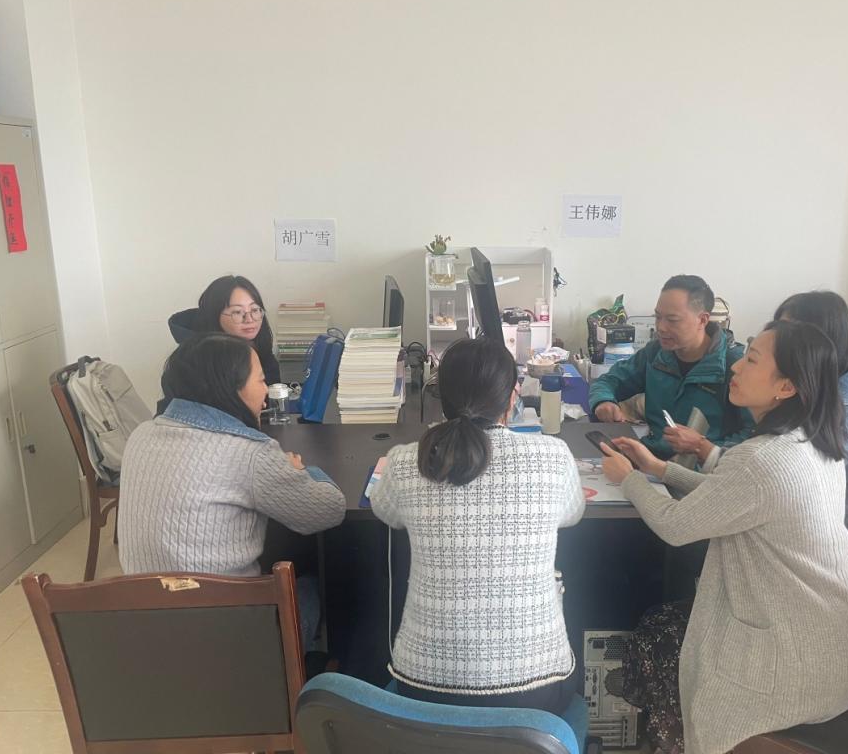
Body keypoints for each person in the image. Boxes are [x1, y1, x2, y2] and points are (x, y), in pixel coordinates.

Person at [599, 321, 848, 754]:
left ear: (786, 387)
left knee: (659, 640)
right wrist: (659, 468)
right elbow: (734, 496)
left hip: (800, 665)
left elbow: (675, 525)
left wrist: (628, 479)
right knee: (662, 626)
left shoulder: (762, 458)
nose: (736, 368)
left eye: (752, 360)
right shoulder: (813, 442)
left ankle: (680, 743)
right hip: (838, 647)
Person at [370, 338, 584, 715]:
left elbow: (384, 511)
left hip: (424, 690)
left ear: (441, 397)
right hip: (536, 690)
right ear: (512, 398)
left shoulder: (406, 462)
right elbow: (572, 514)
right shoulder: (553, 457)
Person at [119, 332, 345, 650]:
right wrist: (302, 472)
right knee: (320, 581)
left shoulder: (140, 435)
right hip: (229, 644)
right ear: (232, 388)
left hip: (147, 634)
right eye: (261, 380)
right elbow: (328, 510)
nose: (266, 391)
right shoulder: (250, 452)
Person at [588, 274, 752, 463]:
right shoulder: (656, 353)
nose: (661, 328)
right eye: (658, 317)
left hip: (702, 472)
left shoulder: (734, 367)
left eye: (672, 320)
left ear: (702, 320)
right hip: (651, 459)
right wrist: (604, 401)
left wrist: (704, 448)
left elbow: (752, 441)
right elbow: (609, 381)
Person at [774, 291, 848, 555]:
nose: (776, 342)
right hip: (800, 520)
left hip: (829, 545)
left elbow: (788, 482)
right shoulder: (812, 386)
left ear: (822, 341)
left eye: (787, 333)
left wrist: (712, 455)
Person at [169, 274, 280, 384]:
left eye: (255, 310)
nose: (249, 319)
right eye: (237, 312)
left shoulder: (261, 349)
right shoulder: (194, 364)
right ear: (214, 315)